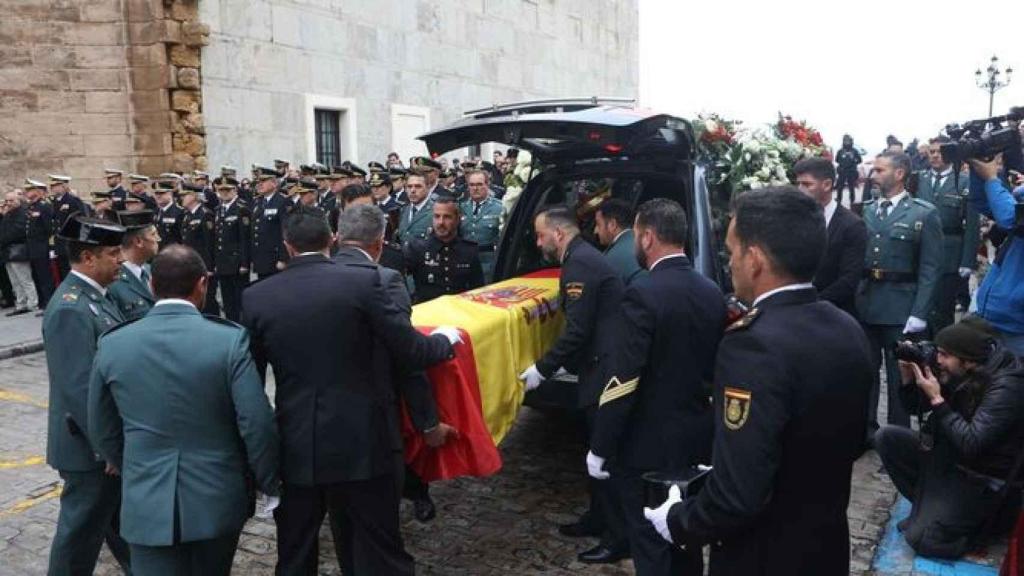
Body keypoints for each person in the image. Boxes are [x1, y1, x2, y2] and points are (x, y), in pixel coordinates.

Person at [644, 186, 873, 576]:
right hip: (825, 546)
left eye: (732, 251)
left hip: (762, 555)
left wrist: (679, 521)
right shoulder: (846, 327)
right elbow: (852, 442)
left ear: (754, 260)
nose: (729, 262)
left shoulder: (752, 345)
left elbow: (737, 495)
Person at [240, 208, 461, 576]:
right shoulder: (362, 283)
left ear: (287, 246)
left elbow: (251, 384)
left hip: (296, 443)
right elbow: (409, 351)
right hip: (362, 441)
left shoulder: (256, 297)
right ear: (331, 240)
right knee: (380, 549)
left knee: (295, 552)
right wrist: (445, 340)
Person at [88, 245, 279, 576]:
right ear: (202, 284)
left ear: (151, 286)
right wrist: (267, 481)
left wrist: (134, 466)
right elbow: (256, 422)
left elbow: (102, 427)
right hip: (216, 495)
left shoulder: (113, 343)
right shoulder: (227, 341)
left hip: (146, 497)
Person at [589, 198, 726, 575]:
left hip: (646, 446)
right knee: (685, 539)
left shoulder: (643, 293)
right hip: (695, 436)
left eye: (635, 234)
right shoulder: (711, 290)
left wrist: (601, 445)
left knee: (649, 543)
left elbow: (623, 379)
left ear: (647, 237)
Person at [334, 204, 456, 523]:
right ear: (379, 242)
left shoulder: (301, 280)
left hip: (321, 417)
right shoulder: (384, 280)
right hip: (373, 413)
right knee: (378, 514)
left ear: (338, 236)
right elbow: (406, 354)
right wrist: (428, 422)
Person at [518, 207, 627, 564]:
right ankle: (597, 518)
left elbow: (578, 331)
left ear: (559, 235)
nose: (538, 242)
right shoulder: (583, 257)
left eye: (540, 235)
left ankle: (617, 537)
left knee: (604, 453)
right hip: (598, 363)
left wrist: (542, 369)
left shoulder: (580, 264)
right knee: (594, 445)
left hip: (606, 368)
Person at [876, 317, 1024, 558]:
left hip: (982, 478)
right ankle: (929, 513)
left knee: (922, 540)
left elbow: (972, 443)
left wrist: (938, 399)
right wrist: (908, 379)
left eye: (945, 355)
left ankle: (977, 530)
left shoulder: (1008, 387)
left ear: (968, 361)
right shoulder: (963, 370)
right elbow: (916, 409)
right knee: (888, 437)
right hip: (951, 461)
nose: (938, 359)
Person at [42, 214, 132, 575]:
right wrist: (107, 447)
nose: (121, 260)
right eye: (113, 253)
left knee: (121, 526)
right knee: (79, 536)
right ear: (89, 258)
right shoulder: (70, 307)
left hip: (103, 443)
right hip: (88, 449)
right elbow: (79, 389)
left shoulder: (96, 298)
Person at [858, 152, 943, 433]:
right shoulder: (866, 209)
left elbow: (930, 269)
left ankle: (897, 434)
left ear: (900, 174)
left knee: (899, 377)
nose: (873, 174)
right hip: (867, 302)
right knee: (866, 372)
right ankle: (866, 431)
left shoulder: (923, 213)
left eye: (880, 170)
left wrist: (919, 312)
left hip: (900, 307)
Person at [917, 137, 980, 333]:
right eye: (932, 151)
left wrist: (967, 261)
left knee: (943, 309)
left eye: (940, 151)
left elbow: (972, 224)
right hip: (920, 251)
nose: (935, 155)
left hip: (949, 253)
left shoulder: (963, 182)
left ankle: (942, 355)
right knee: (920, 307)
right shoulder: (918, 179)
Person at [794, 157, 868, 317]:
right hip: (796, 312)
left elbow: (849, 279)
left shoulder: (852, 225)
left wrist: (813, 304)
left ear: (827, 185)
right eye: (798, 184)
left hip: (834, 314)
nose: (800, 190)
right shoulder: (794, 219)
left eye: (807, 184)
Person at [968, 144, 1024, 354]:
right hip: (996, 316)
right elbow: (982, 203)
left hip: (1017, 324)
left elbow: (1011, 219)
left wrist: (992, 178)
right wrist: (978, 168)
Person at [405, 197, 485, 303]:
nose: (441, 222)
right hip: (428, 312)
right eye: (437, 217)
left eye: (447, 217)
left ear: (457, 219)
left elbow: (477, 290)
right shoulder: (418, 248)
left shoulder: (468, 250)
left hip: (460, 312)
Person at [106, 210, 159, 322]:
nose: (158, 239)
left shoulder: (151, 271)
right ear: (139, 241)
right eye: (153, 234)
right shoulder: (112, 282)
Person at [213, 176, 251, 322]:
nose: (224, 193)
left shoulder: (242, 208)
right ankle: (231, 325)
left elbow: (245, 238)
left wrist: (244, 263)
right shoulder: (218, 210)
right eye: (221, 190)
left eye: (227, 190)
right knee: (227, 299)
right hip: (223, 262)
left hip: (236, 262)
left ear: (235, 190)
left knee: (240, 300)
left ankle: (243, 326)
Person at [179, 179, 220, 315]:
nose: (181, 198)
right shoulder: (187, 216)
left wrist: (209, 267)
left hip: (203, 265)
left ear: (194, 197)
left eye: (184, 195)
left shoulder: (205, 214)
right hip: (191, 264)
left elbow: (210, 242)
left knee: (208, 300)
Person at [458, 170, 503, 282]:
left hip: (488, 260)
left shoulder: (499, 207)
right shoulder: (460, 207)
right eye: (472, 185)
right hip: (465, 262)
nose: (475, 188)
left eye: (479, 184)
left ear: (487, 185)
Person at [0, 191, 37, 316]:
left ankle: (32, 303)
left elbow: (18, 231)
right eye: (7, 201)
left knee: (25, 279)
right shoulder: (8, 214)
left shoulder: (22, 213)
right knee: (15, 281)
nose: (8, 203)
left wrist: (3, 240)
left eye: (11, 200)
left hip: (17, 250)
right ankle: (21, 303)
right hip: (7, 252)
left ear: (18, 200)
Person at [594, 198, 645, 286]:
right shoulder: (645, 242)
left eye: (598, 224)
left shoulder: (610, 259)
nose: (595, 231)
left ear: (612, 225)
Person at [24, 179, 56, 311]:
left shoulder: (44, 206)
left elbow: (49, 228)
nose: (27, 192)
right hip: (33, 248)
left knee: (46, 277)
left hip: (42, 247)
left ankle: (50, 303)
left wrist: (50, 247)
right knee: (38, 276)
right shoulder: (32, 207)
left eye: (29, 190)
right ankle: (44, 302)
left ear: (37, 191)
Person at [251, 165, 288, 279]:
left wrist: (283, 258)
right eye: (258, 181)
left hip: (275, 259)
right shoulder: (258, 203)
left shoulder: (282, 202)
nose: (259, 184)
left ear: (274, 183)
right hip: (261, 258)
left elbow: (285, 232)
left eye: (263, 181)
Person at [49, 174, 85, 280]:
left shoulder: (73, 201)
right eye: (52, 186)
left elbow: (79, 220)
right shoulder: (54, 202)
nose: (52, 188)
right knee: (63, 272)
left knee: (73, 271)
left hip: (69, 242)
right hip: (59, 243)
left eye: (55, 185)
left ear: (64, 186)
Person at [395, 170, 435, 248]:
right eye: (409, 187)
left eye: (418, 186)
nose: (412, 190)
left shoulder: (436, 211)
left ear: (428, 187)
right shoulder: (403, 210)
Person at [153, 176, 185, 249]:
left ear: (170, 193)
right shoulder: (156, 212)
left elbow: (182, 238)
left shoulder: (179, 212)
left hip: (173, 253)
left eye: (161, 193)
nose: (158, 196)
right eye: (156, 193)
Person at [835, 135, 863, 205]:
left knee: (851, 187)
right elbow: (837, 160)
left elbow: (860, 160)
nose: (847, 142)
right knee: (840, 187)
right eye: (845, 141)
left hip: (851, 171)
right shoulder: (840, 151)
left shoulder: (855, 151)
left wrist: (853, 160)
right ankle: (838, 200)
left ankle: (852, 201)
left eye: (848, 141)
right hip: (842, 171)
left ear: (851, 141)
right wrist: (843, 162)